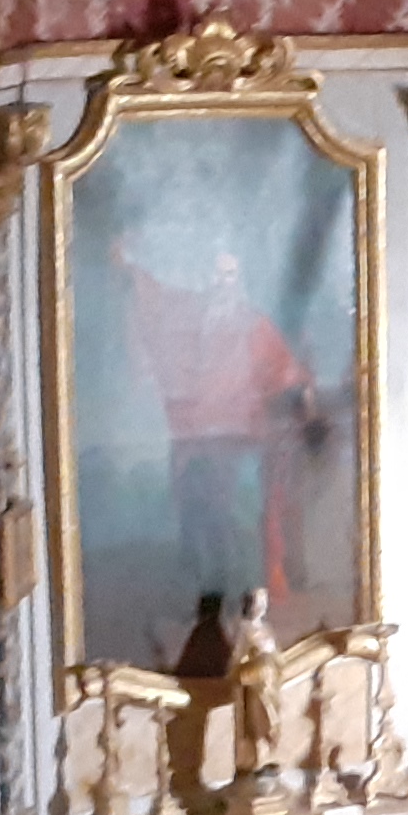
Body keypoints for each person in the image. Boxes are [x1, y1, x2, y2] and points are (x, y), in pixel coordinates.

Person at [118, 234, 323, 622]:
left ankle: (241, 602)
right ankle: (203, 602)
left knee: (238, 522)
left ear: (240, 281)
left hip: (241, 444)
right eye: (216, 275)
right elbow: (153, 301)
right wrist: (130, 270)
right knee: (195, 520)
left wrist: (306, 403)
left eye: (230, 276)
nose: (222, 284)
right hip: (192, 443)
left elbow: (287, 375)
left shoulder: (254, 325)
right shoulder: (185, 321)